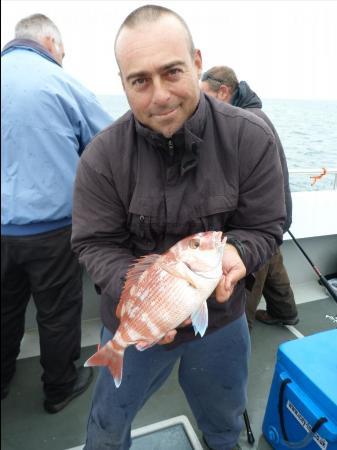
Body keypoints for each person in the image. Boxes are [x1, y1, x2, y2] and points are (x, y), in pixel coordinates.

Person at [71, 5, 286, 450]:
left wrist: (239, 254)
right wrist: (138, 290)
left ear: (197, 62)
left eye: (172, 72)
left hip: (222, 321)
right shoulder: (101, 157)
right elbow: (95, 242)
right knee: (107, 426)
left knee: (224, 421)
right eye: (140, 80)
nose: (160, 96)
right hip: (134, 319)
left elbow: (267, 224)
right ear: (123, 84)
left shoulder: (252, 137)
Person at [1, 14, 112, 412]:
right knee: (58, 313)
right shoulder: (62, 83)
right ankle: (60, 388)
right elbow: (109, 148)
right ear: (49, 40)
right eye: (62, 50)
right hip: (51, 232)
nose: (62, 57)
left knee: (5, 308)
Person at [201, 66, 299, 331]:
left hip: (263, 214)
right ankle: (285, 312)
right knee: (273, 261)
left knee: (251, 272)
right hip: (277, 209)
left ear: (223, 92)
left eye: (205, 95)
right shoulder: (255, 115)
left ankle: (241, 325)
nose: (201, 104)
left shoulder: (245, 121)